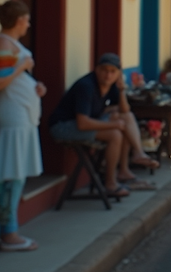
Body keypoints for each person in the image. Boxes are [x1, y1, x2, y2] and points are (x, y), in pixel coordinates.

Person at [49, 53, 159, 198]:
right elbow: (82, 123)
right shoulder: (86, 86)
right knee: (115, 133)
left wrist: (121, 90)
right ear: (97, 70)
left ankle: (132, 161)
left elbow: (125, 110)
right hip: (63, 127)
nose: (108, 75)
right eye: (104, 70)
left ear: (118, 74)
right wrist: (113, 125)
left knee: (125, 118)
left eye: (113, 72)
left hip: (85, 123)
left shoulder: (112, 86)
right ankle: (110, 183)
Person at [0, 0, 44, 252]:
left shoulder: (8, 45)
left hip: (22, 115)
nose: (28, 25)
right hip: (13, 116)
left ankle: (7, 229)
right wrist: (21, 68)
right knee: (12, 174)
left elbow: (10, 80)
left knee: (16, 174)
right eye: (27, 20)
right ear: (19, 21)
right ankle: (8, 232)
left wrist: (35, 86)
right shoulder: (0, 44)